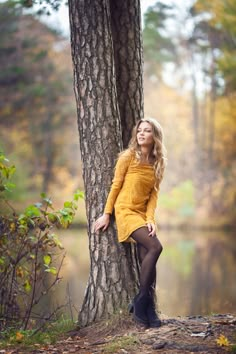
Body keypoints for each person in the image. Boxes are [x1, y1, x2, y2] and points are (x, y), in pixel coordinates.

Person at [94, 117, 167, 328]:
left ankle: (147, 308)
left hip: (142, 215)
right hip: (125, 211)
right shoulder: (128, 157)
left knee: (148, 254)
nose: (141, 134)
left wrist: (150, 219)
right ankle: (142, 299)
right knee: (156, 247)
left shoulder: (158, 162)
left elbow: (153, 195)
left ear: (155, 136)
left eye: (147, 131)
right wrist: (107, 213)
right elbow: (116, 186)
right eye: (139, 131)